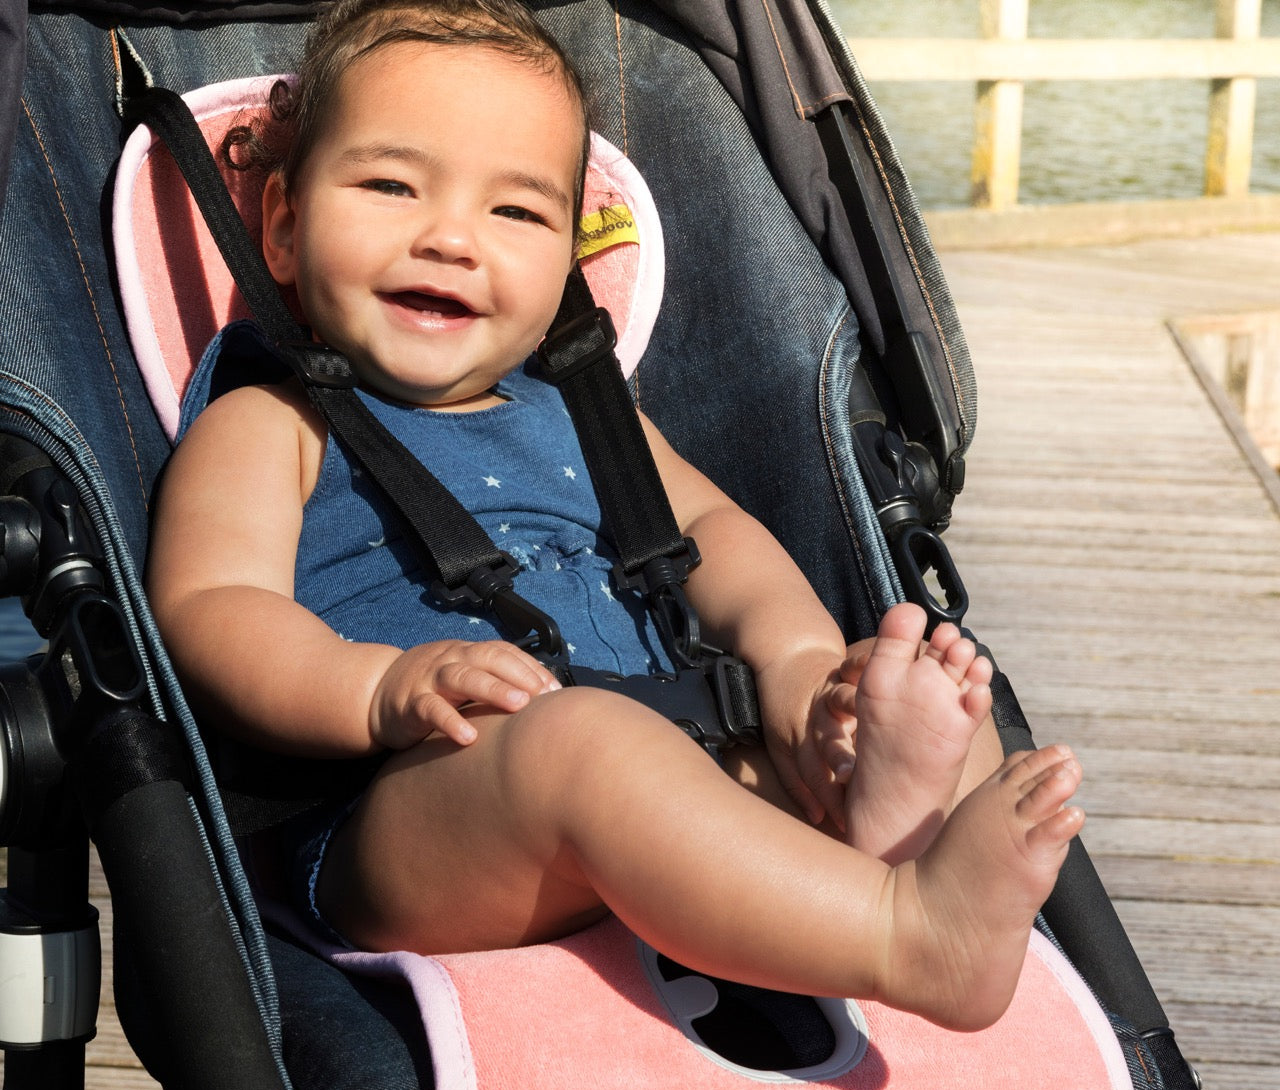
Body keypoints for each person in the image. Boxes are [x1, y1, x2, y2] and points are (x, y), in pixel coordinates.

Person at [145, 0, 1084, 1034]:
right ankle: (906, 937)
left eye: (515, 213)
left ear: (566, 263)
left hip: (669, 765)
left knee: (917, 694)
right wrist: (376, 688)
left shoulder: (591, 414)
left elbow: (714, 532)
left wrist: (799, 664)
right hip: (414, 811)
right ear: (283, 226)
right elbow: (210, 607)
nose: (450, 237)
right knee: (580, 748)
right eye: (389, 187)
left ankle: (884, 830)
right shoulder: (270, 424)